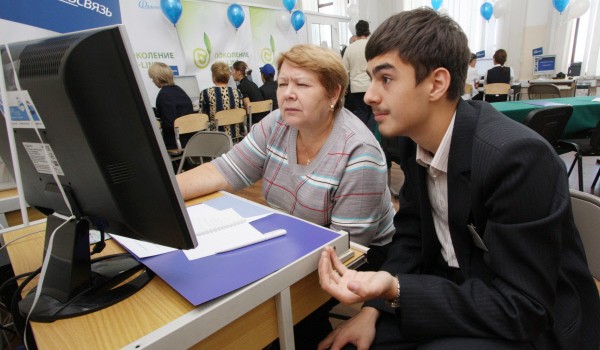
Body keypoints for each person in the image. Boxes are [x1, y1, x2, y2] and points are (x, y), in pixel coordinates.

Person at [318, 8, 600, 350]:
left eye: (386, 79)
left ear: (437, 83)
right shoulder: (413, 141)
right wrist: (372, 309)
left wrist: (396, 290)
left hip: (527, 320)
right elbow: (411, 236)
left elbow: (524, 306)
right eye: (370, 78)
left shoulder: (516, 159)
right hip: (459, 291)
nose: (369, 95)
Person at [178, 44, 395, 349]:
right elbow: (224, 171)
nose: (287, 94)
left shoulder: (359, 152)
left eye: (302, 85)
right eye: (283, 84)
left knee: (275, 322)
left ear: (333, 94)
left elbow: (344, 248)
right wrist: (162, 193)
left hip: (361, 253)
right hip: (295, 239)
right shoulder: (276, 123)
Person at [148, 62, 193, 149]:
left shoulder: (163, 95)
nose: (153, 81)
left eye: (152, 78)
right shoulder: (179, 90)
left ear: (157, 78)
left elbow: (169, 124)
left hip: (177, 141)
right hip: (191, 138)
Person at [343, 20, 375, 133]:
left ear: (356, 31)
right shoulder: (372, 45)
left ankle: (360, 135)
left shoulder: (350, 48)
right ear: (368, 30)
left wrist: (345, 88)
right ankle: (370, 136)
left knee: (361, 113)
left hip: (356, 88)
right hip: (371, 86)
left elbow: (344, 70)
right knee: (374, 113)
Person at [198, 61, 244, 137]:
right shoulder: (237, 92)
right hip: (234, 136)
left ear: (214, 77)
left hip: (215, 138)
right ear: (228, 77)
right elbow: (241, 113)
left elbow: (201, 118)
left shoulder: (205, 93)